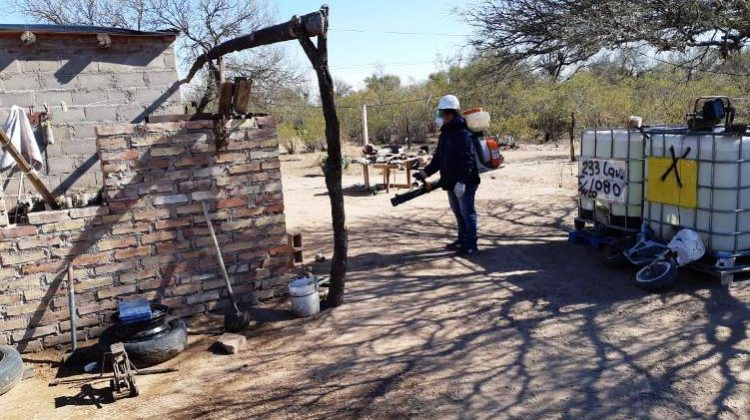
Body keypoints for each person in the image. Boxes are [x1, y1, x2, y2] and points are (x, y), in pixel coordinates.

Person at [416, 95, 480, 256]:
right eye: (440, 113)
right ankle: (462, 240)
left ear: (451, 113)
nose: (441, 116)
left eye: (443, 113)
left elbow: (468, 159)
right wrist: (426, 172)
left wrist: (462, 181)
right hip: (450, 180)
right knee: (458, 212)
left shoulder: (462, 132)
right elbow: (439, 158)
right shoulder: (446, 132)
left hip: (465, 181)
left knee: (467, 212)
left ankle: (471, 244)